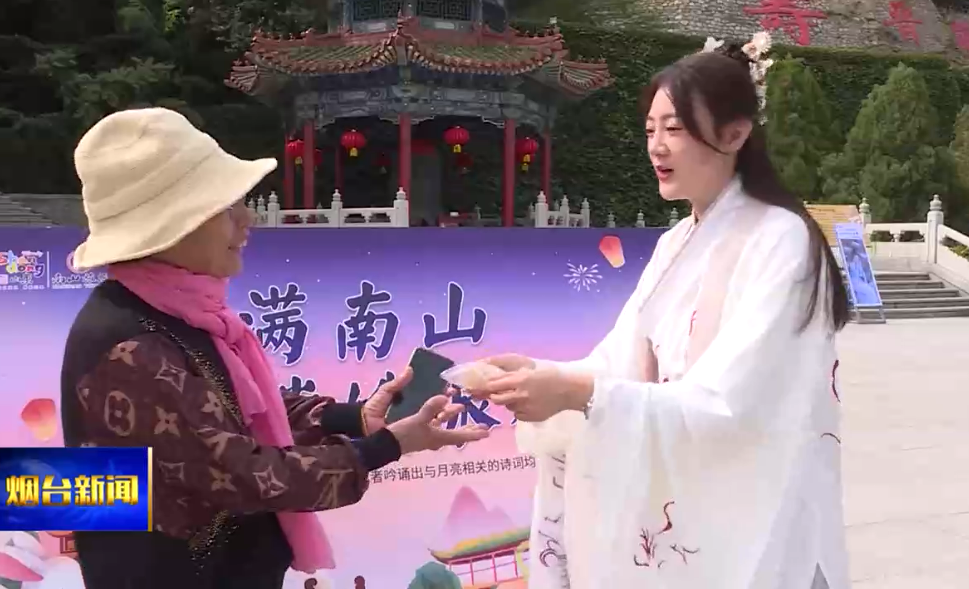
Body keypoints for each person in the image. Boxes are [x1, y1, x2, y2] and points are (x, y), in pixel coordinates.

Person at [469, 39, 851, 589]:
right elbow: (618, 360)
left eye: (674, 128)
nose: (656, 147)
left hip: (755, 515)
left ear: (735, 135)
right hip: (685, 506)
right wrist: (538, 374)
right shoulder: (675, 243)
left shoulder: (780, 238)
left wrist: (576, 393)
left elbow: (732, 404)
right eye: (650, 130)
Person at [59, 107, 489, 589]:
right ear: (171, 226)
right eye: (227, 209)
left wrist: (354, 418)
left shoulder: (172, 312)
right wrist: (386, 446)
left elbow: (229, 411)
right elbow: (247, 474)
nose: (248, 221)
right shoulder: (128, 344)